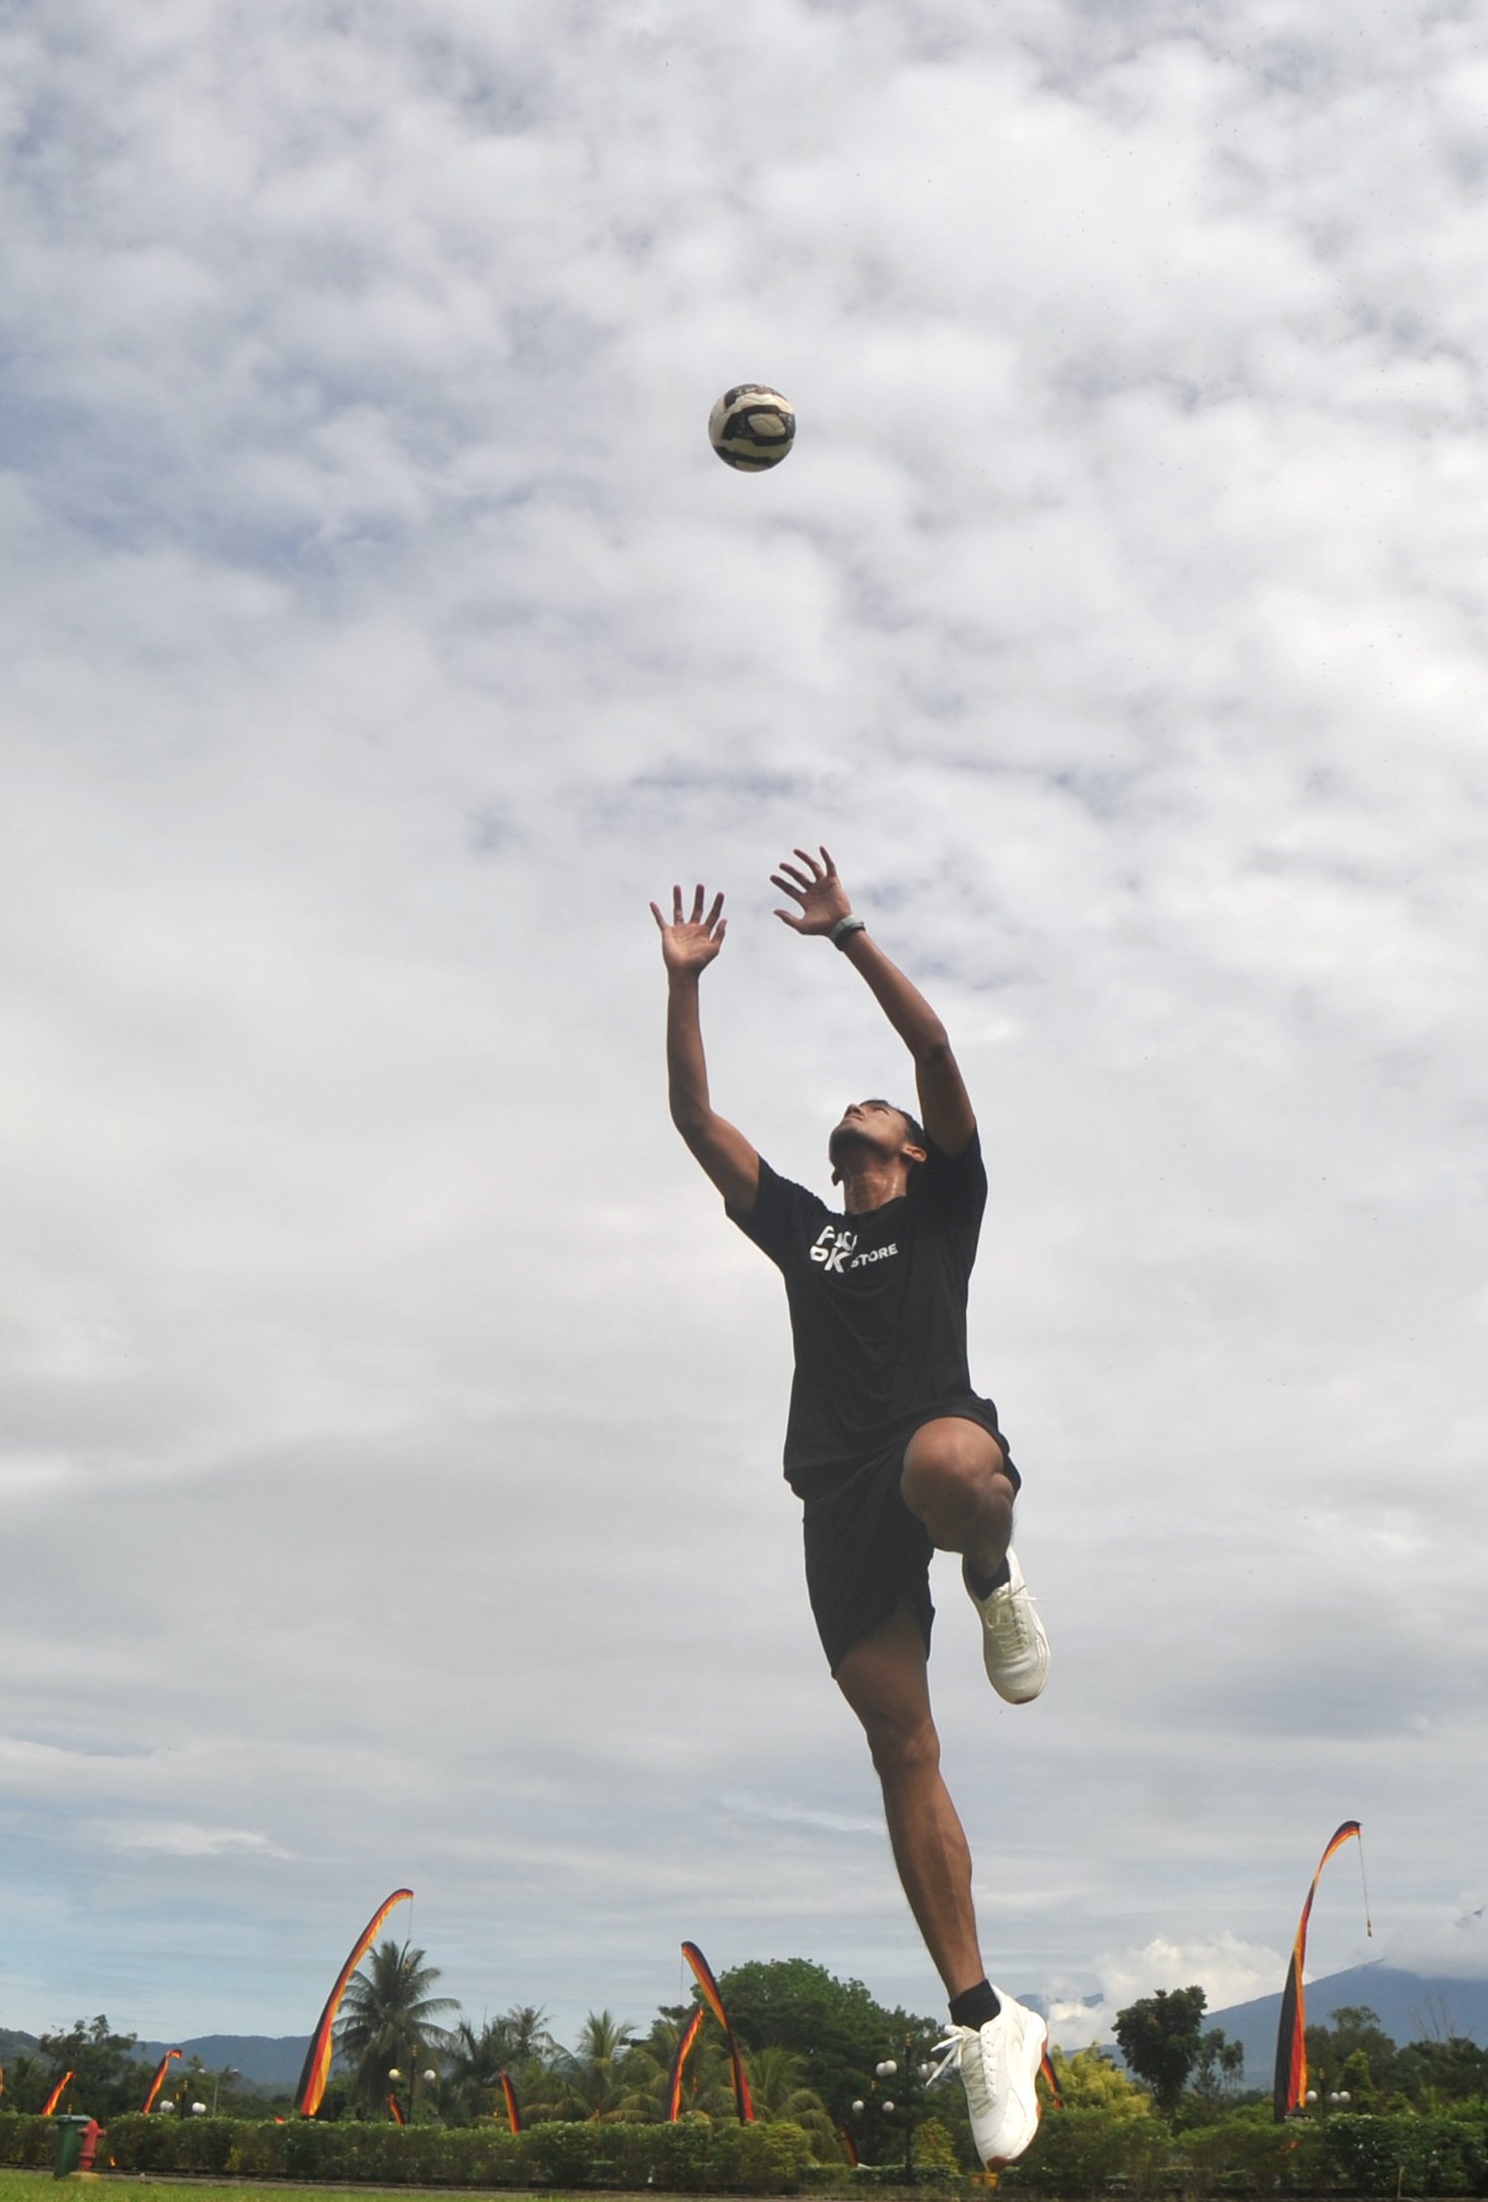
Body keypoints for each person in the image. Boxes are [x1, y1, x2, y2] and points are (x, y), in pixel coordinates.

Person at [651, 846, 1053, 2165]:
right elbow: (697, 1124)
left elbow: (932, 1041)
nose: (853, 1131)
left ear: (913, 1148)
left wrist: (848, 937)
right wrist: (684, 989)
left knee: (948, 1465)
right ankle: (986, 2018)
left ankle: (993, 1577)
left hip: (928, 1452)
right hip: (834, 1502)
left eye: (872, 1120)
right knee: (902, 1753)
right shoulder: (805, 1231)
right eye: (844, 1128)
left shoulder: (947, 1206)